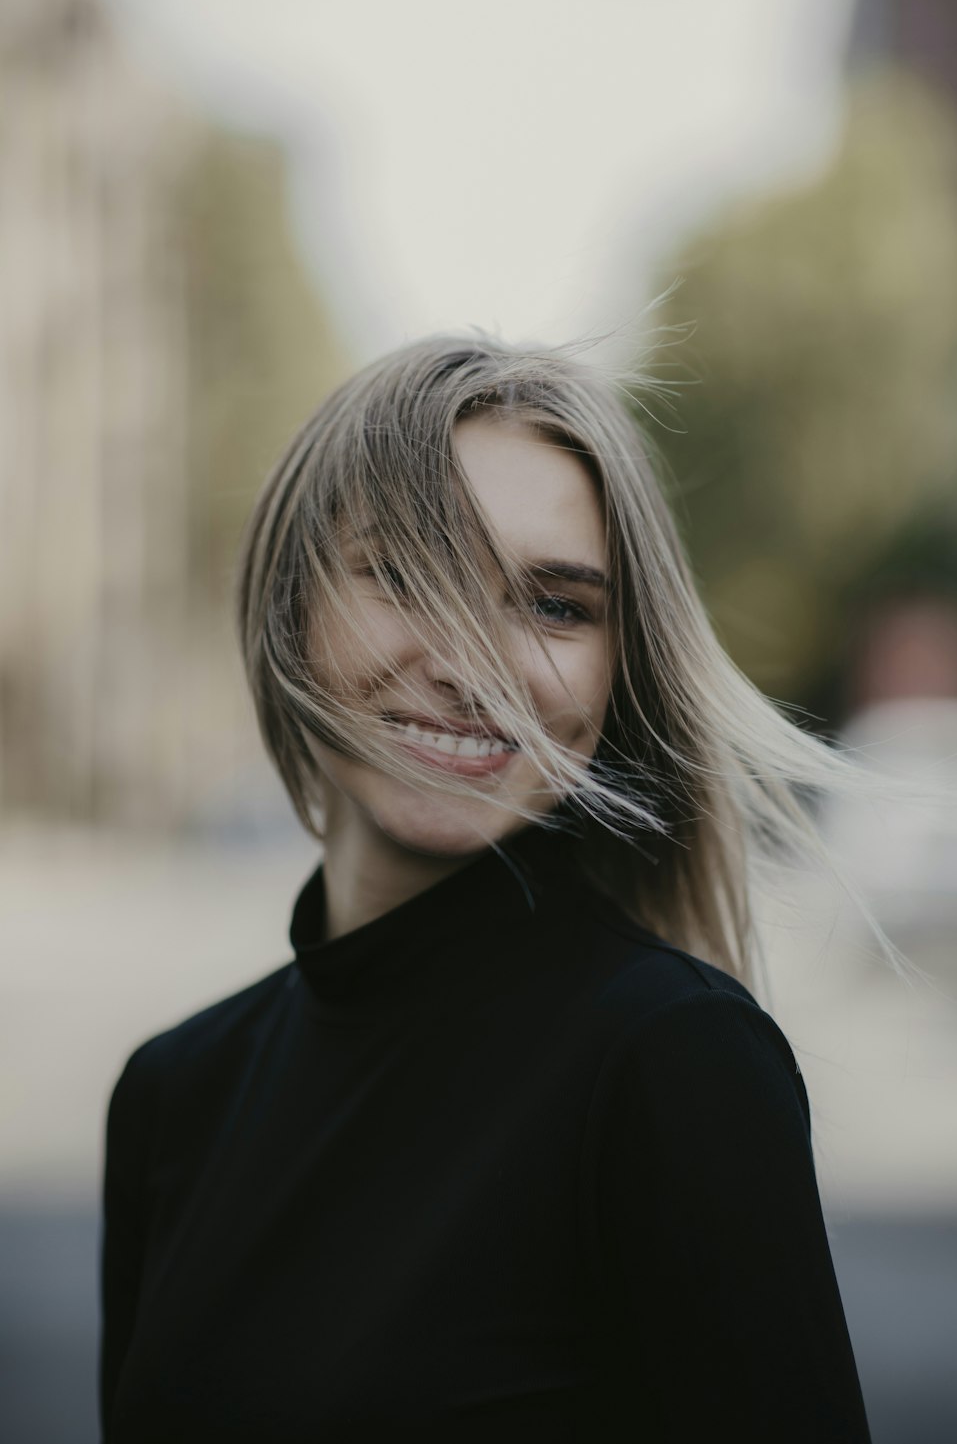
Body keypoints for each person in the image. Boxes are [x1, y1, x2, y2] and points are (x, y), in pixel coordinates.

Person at [100, 333, 872, 1441]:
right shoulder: (174, 1092)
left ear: (620, 669)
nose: (470, 663)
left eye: (554, 604)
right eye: (410, 574)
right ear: (291, 605)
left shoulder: (673, 1062)